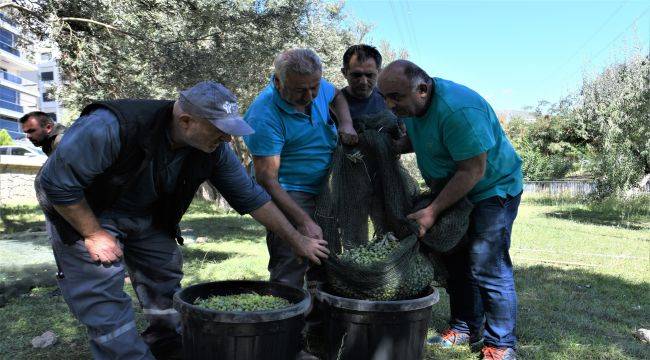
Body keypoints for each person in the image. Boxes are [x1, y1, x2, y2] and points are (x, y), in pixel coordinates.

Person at [36, 81, 329, 360]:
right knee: (103, 300)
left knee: (164, 278)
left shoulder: (215, 150)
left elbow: (253, 197)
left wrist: (297, 239)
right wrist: (93, 233)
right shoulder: (110, 126)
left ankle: (167, 345)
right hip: (83, 209)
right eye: (220, 130)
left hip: (146, 214)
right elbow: (56, 184)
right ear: (187, 121)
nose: (228, 138)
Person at [378, 60, 523, 360]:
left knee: (487, 264)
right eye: (386, 97)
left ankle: (501, 345)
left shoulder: (459, 110)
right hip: (453, 188)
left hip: (492, 189)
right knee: (456, 259)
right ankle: (464, 327)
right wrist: (390, 145)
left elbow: (472, 171)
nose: (390, 105)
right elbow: (422, 139)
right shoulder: (415, 105)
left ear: (422, 88)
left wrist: (432, 211)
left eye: (396, 97)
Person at [243, 48, 356, 289]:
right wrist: (303, 221)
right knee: (292, 260)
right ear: (278, 82)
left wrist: (346, 123)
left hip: (324, 188)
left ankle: (318, 323)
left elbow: (335, 95)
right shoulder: (263, 116)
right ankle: (284, 319)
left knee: (325, 259)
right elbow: (267, 180)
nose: (310, 95)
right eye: (299, 90)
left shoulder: (314, 85)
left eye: (314, 86)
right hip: (289, 192)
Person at [340, 44, 388, 119]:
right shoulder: (333, 104)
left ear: (379, 73)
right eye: (356, 75)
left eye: (370, 75)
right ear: (344, 73)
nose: (363, 82)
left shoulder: (389, 98)